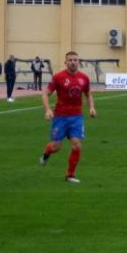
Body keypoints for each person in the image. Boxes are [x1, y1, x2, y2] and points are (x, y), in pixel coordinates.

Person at [39, 51, 97, 183]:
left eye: (75, 60)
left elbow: (88, 94)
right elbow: (45, 93)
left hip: (77, 116)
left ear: (79, 62)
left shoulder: (84, 78)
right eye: (70, 60)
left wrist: (92, 108)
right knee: (56, 147)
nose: (73, 62)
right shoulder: (58, 77)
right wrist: (47, 110)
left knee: (76, 145)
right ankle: (46, 153)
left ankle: (70, 174)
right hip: (60, 117)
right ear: (65, 62)